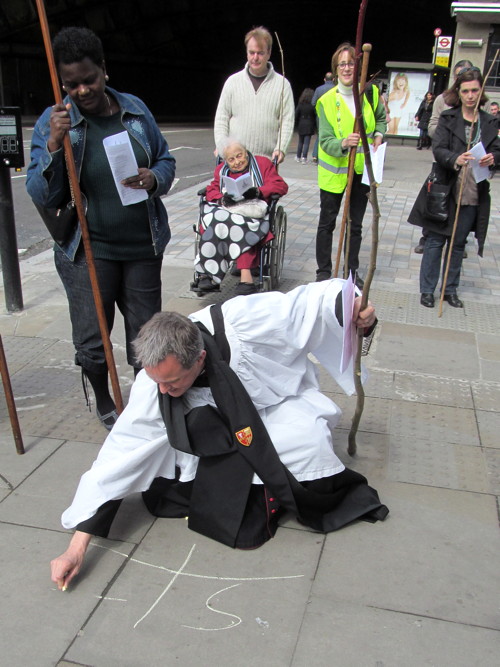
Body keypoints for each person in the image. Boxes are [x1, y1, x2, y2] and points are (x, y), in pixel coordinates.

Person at [49, 280, 388, 590]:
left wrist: (356, 307)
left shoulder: (245, 321)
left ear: (199, 359)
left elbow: (308, 304)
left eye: (173, 382)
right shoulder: (153, 388)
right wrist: (75, 549)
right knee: (188, 474)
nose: (165, 391)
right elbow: (119, 455)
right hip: (211, 436)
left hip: (274, 407)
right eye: (158, 382)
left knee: (308, 445)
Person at [26, 27, 175, 430]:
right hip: (87, 250)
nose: (82, 90)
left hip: (142, 245)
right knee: (93, 343)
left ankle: (147, 403)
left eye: (89, 79)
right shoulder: (55, 121)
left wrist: (153, 178)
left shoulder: (135, 111)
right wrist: (56, 145)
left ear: (104, 71)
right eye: (71, 84)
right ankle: (105, 400)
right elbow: (42, 192)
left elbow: (166, 161)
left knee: (147, 340)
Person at [408, 68, 500, 309]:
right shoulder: (449, 118)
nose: (470, 95)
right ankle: (427, 290)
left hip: (473, 192)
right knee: (435, 241)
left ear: (481, 92)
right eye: (466, 91)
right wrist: (455, 159)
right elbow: (438, 148)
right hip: (445, 190)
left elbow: (498, 150)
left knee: (458, 244)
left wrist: (493, 158)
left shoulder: (489, 121)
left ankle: (450, 290)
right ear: (458, 93)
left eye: (475, 90)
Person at [315, 42, 386, 287]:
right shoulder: (325, 101)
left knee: (355, 223)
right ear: (336, 69)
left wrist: (378, 133)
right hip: (333, 173)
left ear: (358, 66)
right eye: (342, 64)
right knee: (328, 222)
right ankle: (323, 273)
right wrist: (344, 142)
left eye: (351, 63)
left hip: (361, 170)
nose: (347, 68)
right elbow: (324, 140)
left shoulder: (370, 93)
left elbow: (380, 118)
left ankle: (350, 272)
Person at [192, 140, 288, 295]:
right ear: (226, 161)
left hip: (251, 213)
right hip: (227, 211)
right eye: (231, 159)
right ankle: (207, 275)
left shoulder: (262, 164)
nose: (237, 162)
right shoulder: (221, 171)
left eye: (240, 156)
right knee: (213, 221)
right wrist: (223, 198)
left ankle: (246, 278)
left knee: (238, 225)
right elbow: (212, 190)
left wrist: (258, 191)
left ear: (246, 152)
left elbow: (280, 186)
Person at [213, 26, 295, 164]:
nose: (255, 58)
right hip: (235, 162)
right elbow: (221, 118)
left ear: (269, 53)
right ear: (246, 53)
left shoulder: (282, 85)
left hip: (266, 163)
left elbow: (287, 121)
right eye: (251, 52)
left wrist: (281, 149)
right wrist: (222, 146)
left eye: (260, 53)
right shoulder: (232, 82)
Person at [427, 60, 473, 139]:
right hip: (448, 148)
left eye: (466, 76)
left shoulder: (482, 101)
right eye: (458, 75)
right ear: (454, 77)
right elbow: (431, 130)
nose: (462, 79)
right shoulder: (442, 99)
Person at [311, 72, 335, 163]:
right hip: (333, 115)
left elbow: (313, 102)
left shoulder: (318, 89)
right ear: (333, 79)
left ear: (324, 79)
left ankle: (315, 155)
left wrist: (319, 111)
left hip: (320, 116)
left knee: (320, 135)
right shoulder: (336, 89)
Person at [295, 88, 317, 163]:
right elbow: (315, 115)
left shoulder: (300, 105)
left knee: (300, 142)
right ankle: (304, 157)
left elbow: (296, 114)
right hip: (309, 124)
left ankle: (298, 156)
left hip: (301, 123)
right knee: (307, 142)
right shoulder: (312, 105)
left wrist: (297, 123)